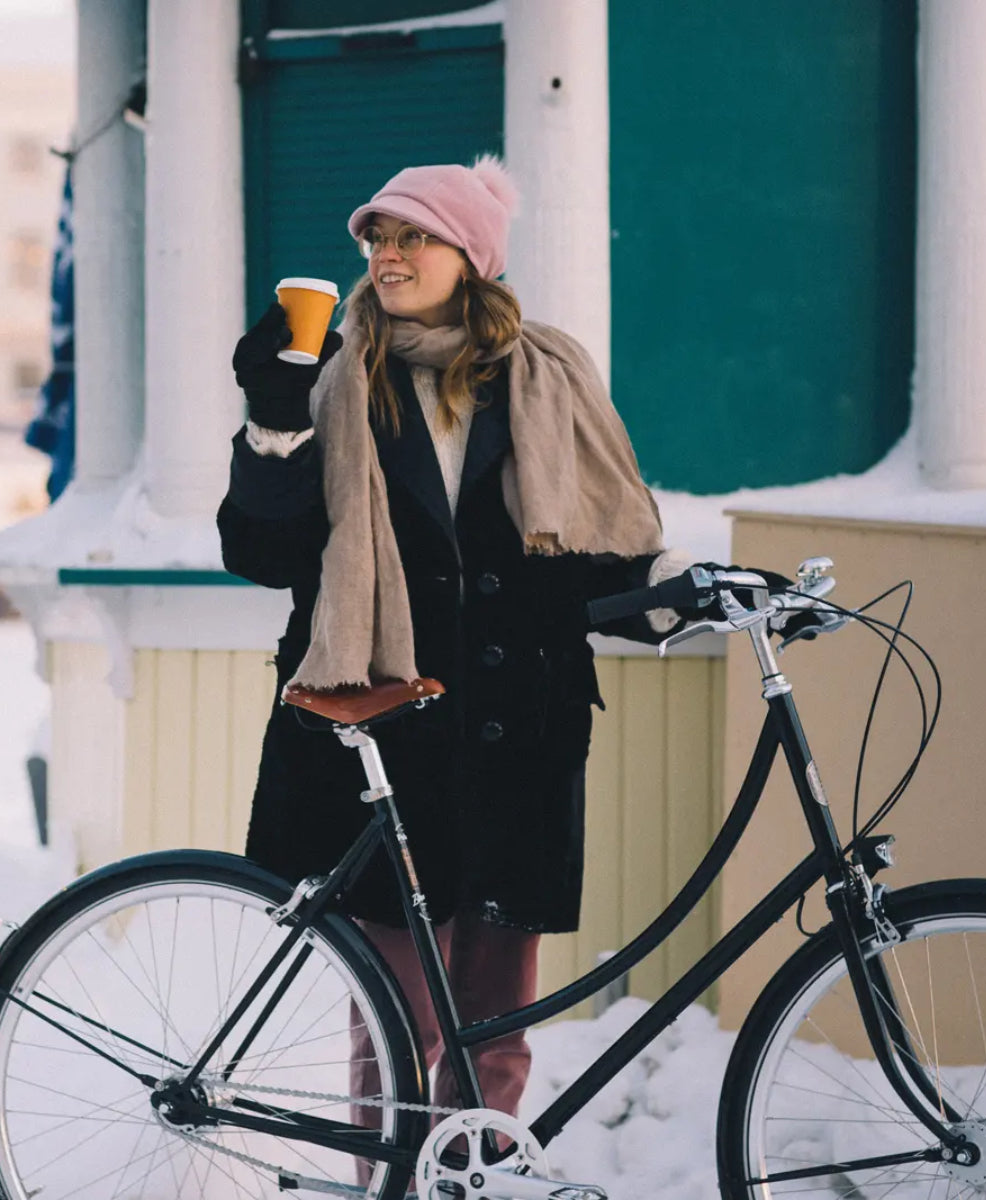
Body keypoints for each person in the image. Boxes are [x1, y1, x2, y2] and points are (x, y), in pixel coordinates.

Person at [217, 156, 702, 1152]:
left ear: (469, 257)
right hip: (385, 725)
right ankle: (391, 1180)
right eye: (377, 239)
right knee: (396, 1031)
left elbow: (592, 556)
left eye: (412, 237)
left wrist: (672, 591)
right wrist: (274, 422)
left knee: (498, 1030)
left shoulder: (549, 377)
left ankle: (474, 1179)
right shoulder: (333, 378)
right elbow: (262, 554)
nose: (387, 256)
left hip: (522, 731)